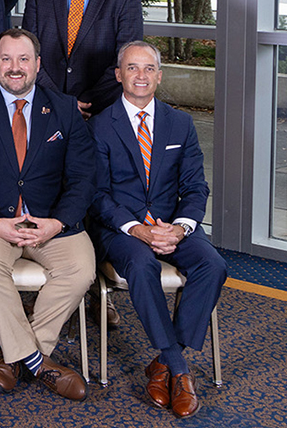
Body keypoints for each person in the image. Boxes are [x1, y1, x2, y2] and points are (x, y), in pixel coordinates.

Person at [0, 28, 95, 402]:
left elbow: (84, 177)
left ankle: (16, 358)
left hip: (51, 222)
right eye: (7, 59)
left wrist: (56, 222)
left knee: (81, 269)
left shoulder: (63, 107)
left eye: (23, 59)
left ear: (38, 64)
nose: (15, 67)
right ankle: (39, 363)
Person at [90, 40, 227, 418]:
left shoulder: (179, 123)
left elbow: (196, 187)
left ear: (159, 76)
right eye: (132, 68)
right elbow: (97, 195)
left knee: (213, 265)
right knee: (142, 265)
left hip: (173, 225)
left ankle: (164, 362)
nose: (141, 75)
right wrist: (137, 229)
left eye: (149, 68)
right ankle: (180, 370)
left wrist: (181, 228)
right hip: (122, 230)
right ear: (119, 75)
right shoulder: (100, 126)